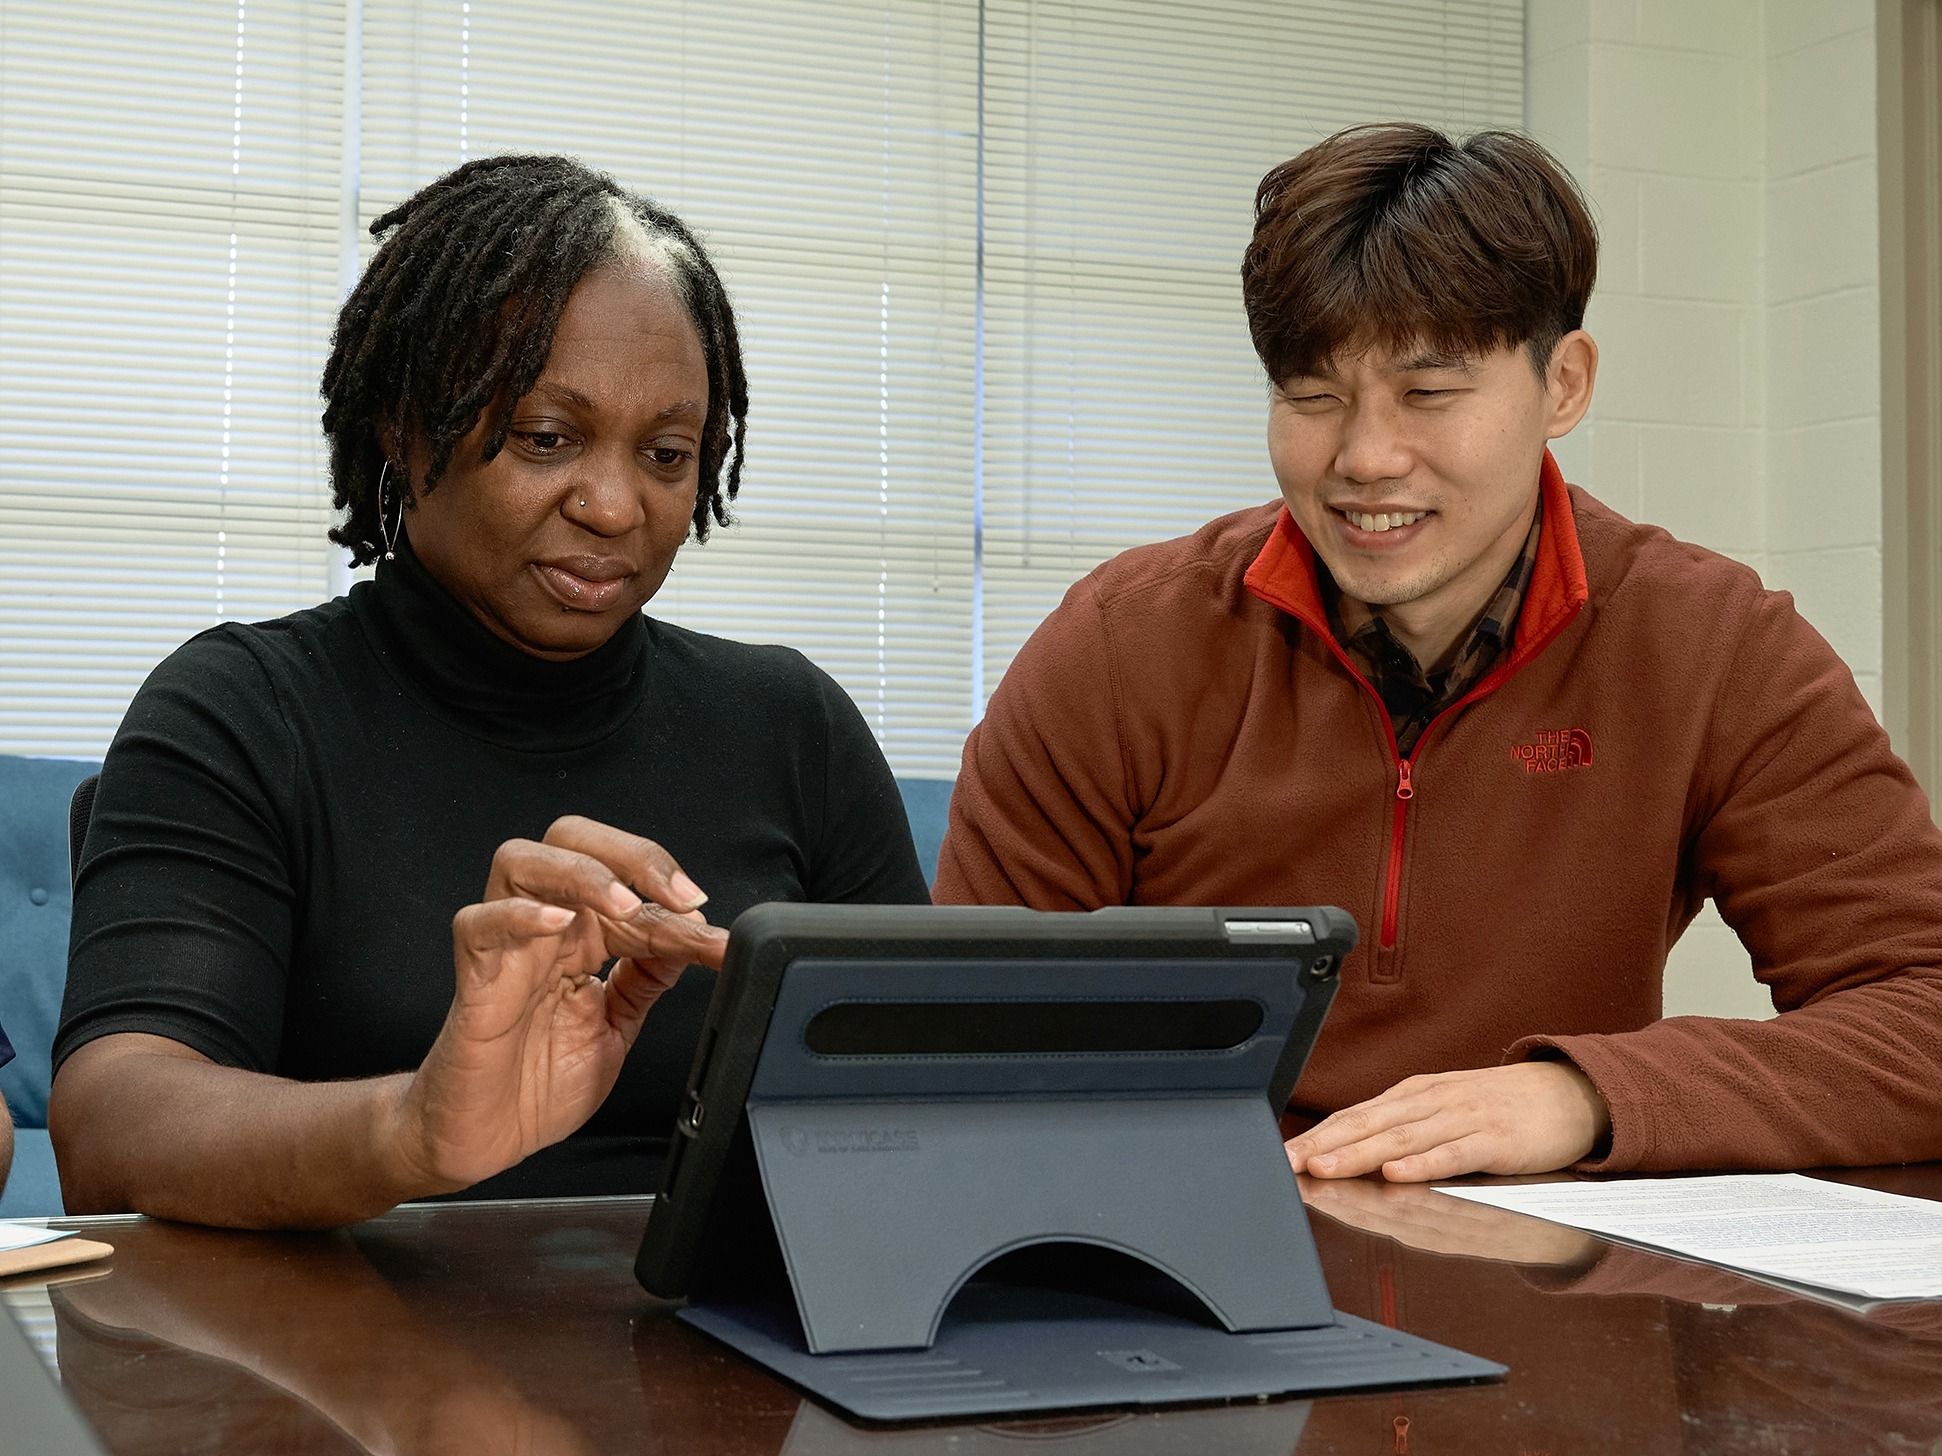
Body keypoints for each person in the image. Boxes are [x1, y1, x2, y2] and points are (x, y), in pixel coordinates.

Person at [934, 123, 1942, 1180]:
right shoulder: (1120, 645)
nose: (1364, 458)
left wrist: (1587, 1095)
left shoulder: (1711, 646)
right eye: (1311, 395)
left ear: (1564, 384)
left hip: (1556, 1282)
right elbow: (954, 1047)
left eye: (1428, 393)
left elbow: (1923, 1012)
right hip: (1184, 1257)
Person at [49, 155, 929, 1229]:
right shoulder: (243, 712)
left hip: (737, 1345)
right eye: (546, 437)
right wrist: (411, 1129)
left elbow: (927, 1096)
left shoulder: (794, 727)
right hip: (336, 1368)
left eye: (665, 453)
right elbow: (108, 1127)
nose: (615, 505)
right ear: (402, 427)